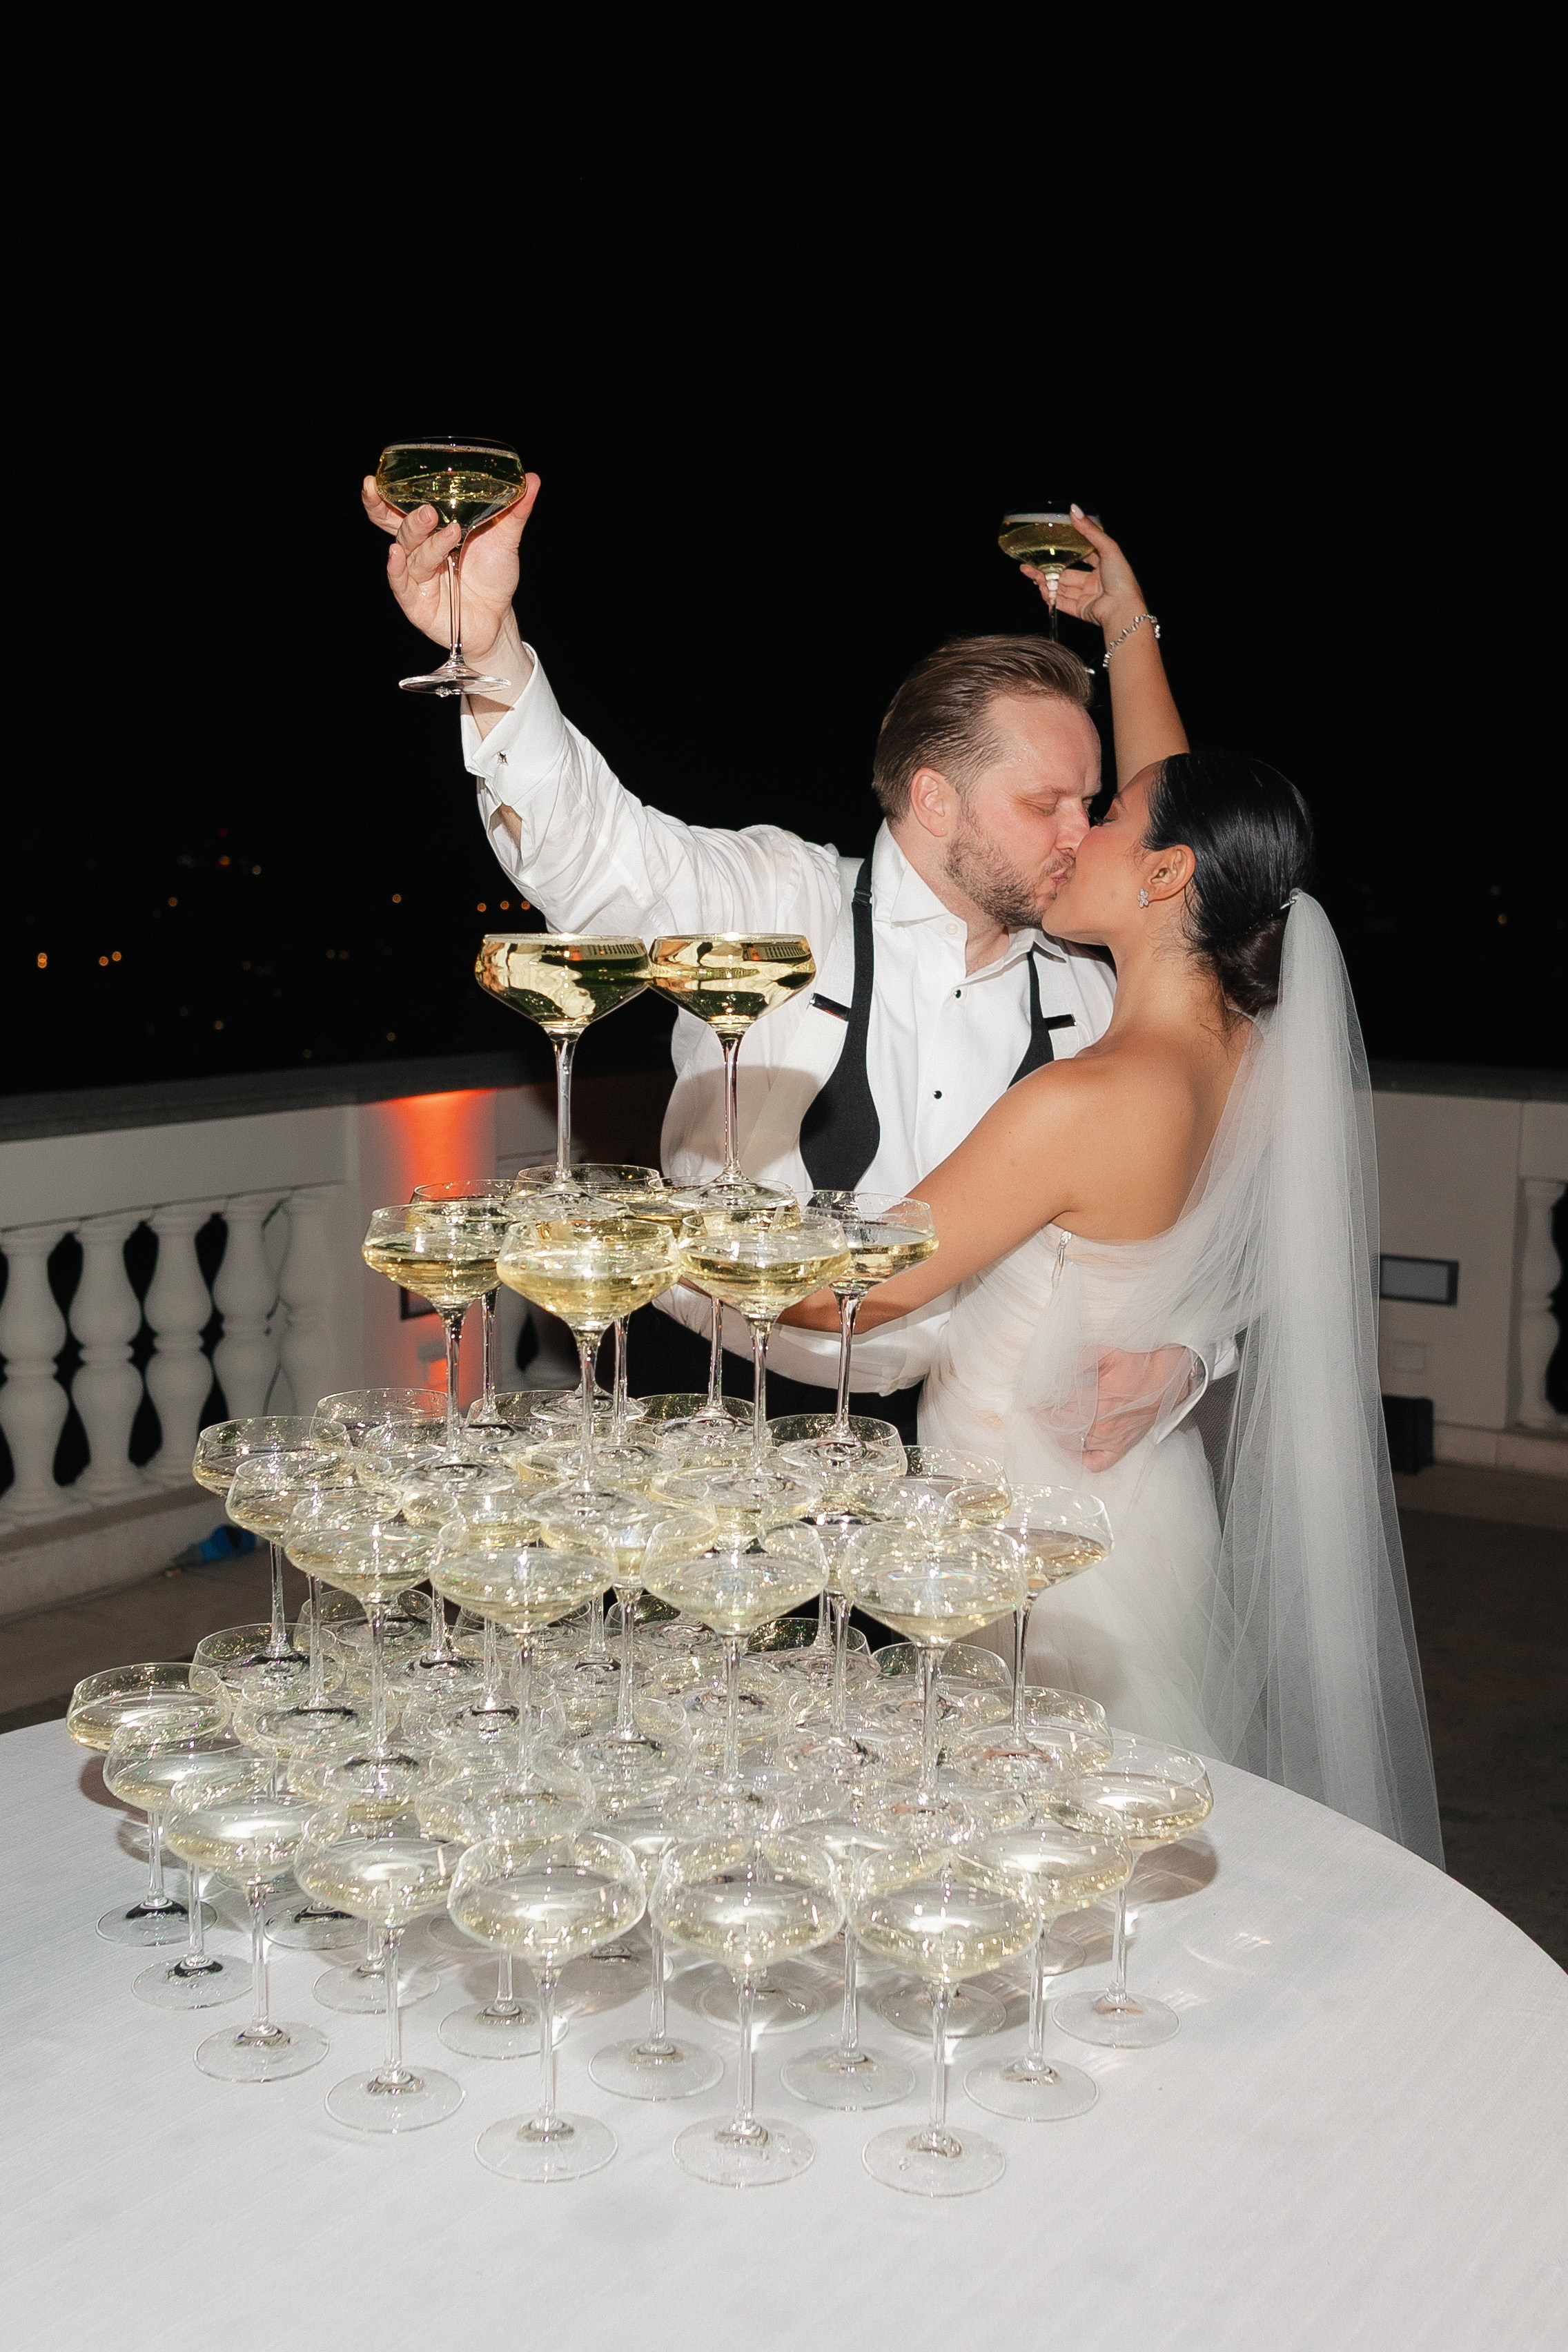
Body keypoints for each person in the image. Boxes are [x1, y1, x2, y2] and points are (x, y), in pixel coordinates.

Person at [364, 479, 1220, 1451]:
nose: (1083, 834)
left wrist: (1190, 1347)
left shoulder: (1093, 984)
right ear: (936, 801)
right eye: (1046, 804)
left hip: (961, 1436)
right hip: (719, 1399)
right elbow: (594, 850)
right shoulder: (777, 903)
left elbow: (1216, 1180)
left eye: (1090, 800)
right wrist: (487, 656)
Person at [786, 751, 1444, 1863]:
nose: (1073, 834)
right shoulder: (1255, 1060)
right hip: (1150, 1507)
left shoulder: (1086, 1099)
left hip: (1021, 1545)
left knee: (1012, 1857)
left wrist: (646, 1230)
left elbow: (830, 1294)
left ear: (1166, 873)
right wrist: (1128, 625)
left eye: (1107, 819)